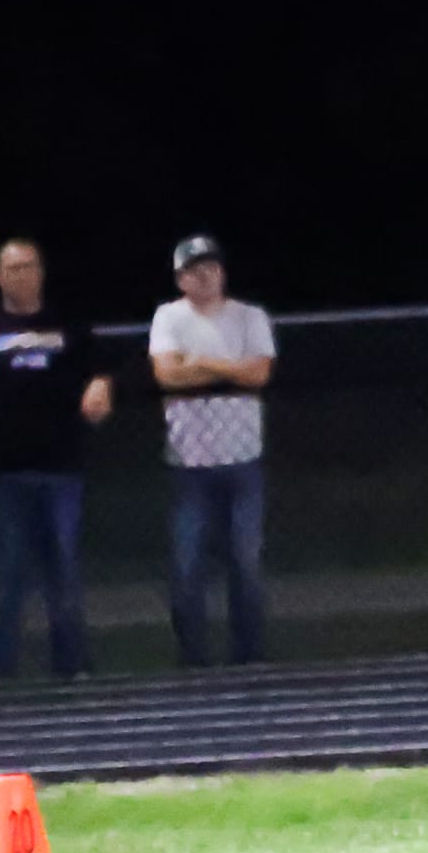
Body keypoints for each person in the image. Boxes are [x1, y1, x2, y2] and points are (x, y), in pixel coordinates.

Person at [0, 239, 113, 679]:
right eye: (13, 267)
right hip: (4, 471)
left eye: (29, 266)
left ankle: (72, 664)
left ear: (41, 272)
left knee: (64, 569)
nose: (22, 274)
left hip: (62, 468)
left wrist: (101, 386)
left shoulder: (69, 326)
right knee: (7, 575)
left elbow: (100, 370)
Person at [148, 235, 275, 667]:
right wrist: (230, 370)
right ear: (180, 278)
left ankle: (249, 657)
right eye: (194, 270)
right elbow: (167, 375)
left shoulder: (249, 316)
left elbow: (258, 374)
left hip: (243, 460)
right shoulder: (168, 317)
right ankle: (193, 658)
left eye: (211, 267)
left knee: (246, 564)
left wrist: (201, 364)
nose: (205, 276)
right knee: (187, 567)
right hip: (189, 463)